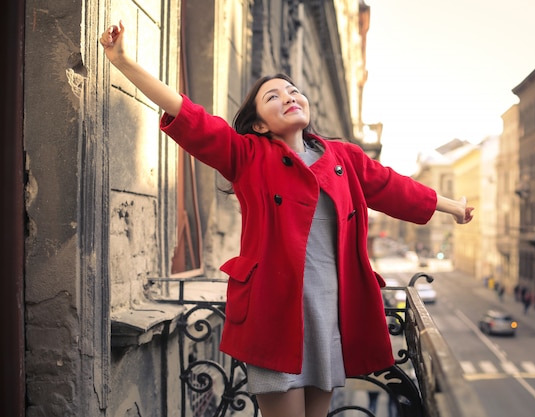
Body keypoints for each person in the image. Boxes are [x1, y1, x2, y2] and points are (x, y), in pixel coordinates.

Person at [100, 20, 474, 417]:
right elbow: (191, 118)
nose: (289, 96)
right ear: (259, 123)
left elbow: (394, 187)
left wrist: (452, 207)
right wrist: (123, 60)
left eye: (293, 90)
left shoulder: (343, 157)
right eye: (273, 96)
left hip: (328, 313)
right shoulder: (248, 156)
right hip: (273, 316)